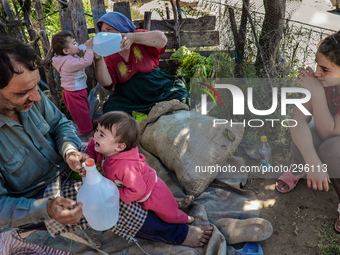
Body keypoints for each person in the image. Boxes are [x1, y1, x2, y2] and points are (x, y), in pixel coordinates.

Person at [0, 34, 213, 248]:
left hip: (66, 169)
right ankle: (176, 232)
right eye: (23, 93)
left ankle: (163, 205)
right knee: (110, 198)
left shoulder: (32, 96)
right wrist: (45, 208)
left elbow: (59, 125)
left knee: (128, 169)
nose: (37, 97)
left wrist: (70, 151)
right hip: (38, 198)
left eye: (36, 86)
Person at [275, 31, 340, 231]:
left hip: (335, 140)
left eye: (325, 69)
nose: (317, 73)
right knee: (304, 134)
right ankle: (299, 167)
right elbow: (297, 120)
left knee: (330, 149)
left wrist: (318, 93)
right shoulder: (322, 81)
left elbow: (331, 133)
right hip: (330, 132)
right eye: (317, 65)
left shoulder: (319, 86)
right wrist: (313, 163)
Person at [82, 111, 194, 225]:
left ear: (119, 146)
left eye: (101, 135)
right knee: (167, 203)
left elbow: (138, 190)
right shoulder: (103, 146)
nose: (95, 136)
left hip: (151, 193)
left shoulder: (126, 168)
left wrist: (115, 191)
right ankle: (177, 204)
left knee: (168, 214)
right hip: (136, 186)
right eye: (97, 130)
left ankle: (186, 219)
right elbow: (91, 146)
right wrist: (88, 159)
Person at [93, 11, 190, 115]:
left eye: (109, 29)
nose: (106, 34)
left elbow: (162, 40)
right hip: (129, 96)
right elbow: (106, 83)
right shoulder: (108, 54)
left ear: (120, 26)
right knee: (112, 110)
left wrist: (134, 38)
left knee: (181, 96)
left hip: (156, 87)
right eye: (103, 32)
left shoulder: (137, 36)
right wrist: (98, 59)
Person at [52, 31, 94, 140]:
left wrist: (83, 49)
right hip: (74, 93)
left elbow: (79, 59)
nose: (77, 44)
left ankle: (88, 124)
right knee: (81, 113)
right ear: (66, 51)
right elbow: (86, 62)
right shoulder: (68, 62)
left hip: (77, 90)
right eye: (74, 43)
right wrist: (89, 48)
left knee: (85, 109)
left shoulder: (68, 57)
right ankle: (88, 132)